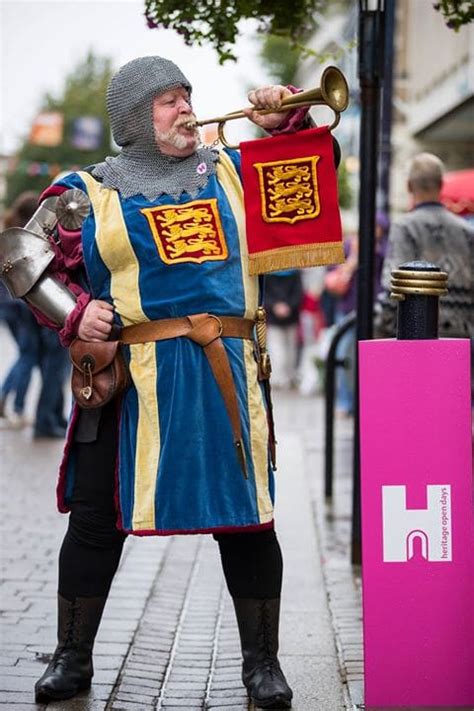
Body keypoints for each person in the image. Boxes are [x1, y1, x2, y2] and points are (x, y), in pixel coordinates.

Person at [23, 56, 328, 708]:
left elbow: (301, 183)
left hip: (225, 378)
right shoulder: (87, 189)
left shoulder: (232, 171)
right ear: (134, 116)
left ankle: (262, 663)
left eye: (188, 94)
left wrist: (285, 123)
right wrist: (77, 313)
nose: (186, 106)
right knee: (94, 523)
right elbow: (25, 260)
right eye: (168, 99)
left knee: (248, 521)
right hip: (130, 383)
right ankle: (72, 658)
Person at [374, 153, 473, 341]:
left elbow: (393, 286)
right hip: (461, 339)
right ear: (441, 185)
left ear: (409, 186)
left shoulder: (405, 227)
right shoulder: (466, 231)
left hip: (417, 336)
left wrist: (381, 324)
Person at [0, 192, 69, 435]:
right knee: (34, 358)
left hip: (17, 307)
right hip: (26, 307)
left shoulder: (13, 233)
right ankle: (30, 411)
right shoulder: (25, 236)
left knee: (34, 358)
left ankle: (48, 415)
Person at [264, 269, 303, 389]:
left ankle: (285, 377)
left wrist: (276, 306)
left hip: (284, 316)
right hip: (284, 315)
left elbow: (264, 294)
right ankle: (282, 377)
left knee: (286, 348)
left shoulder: (267, 272)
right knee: (280, 349)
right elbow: (298, 293)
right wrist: (285, 307)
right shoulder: (295, 272)